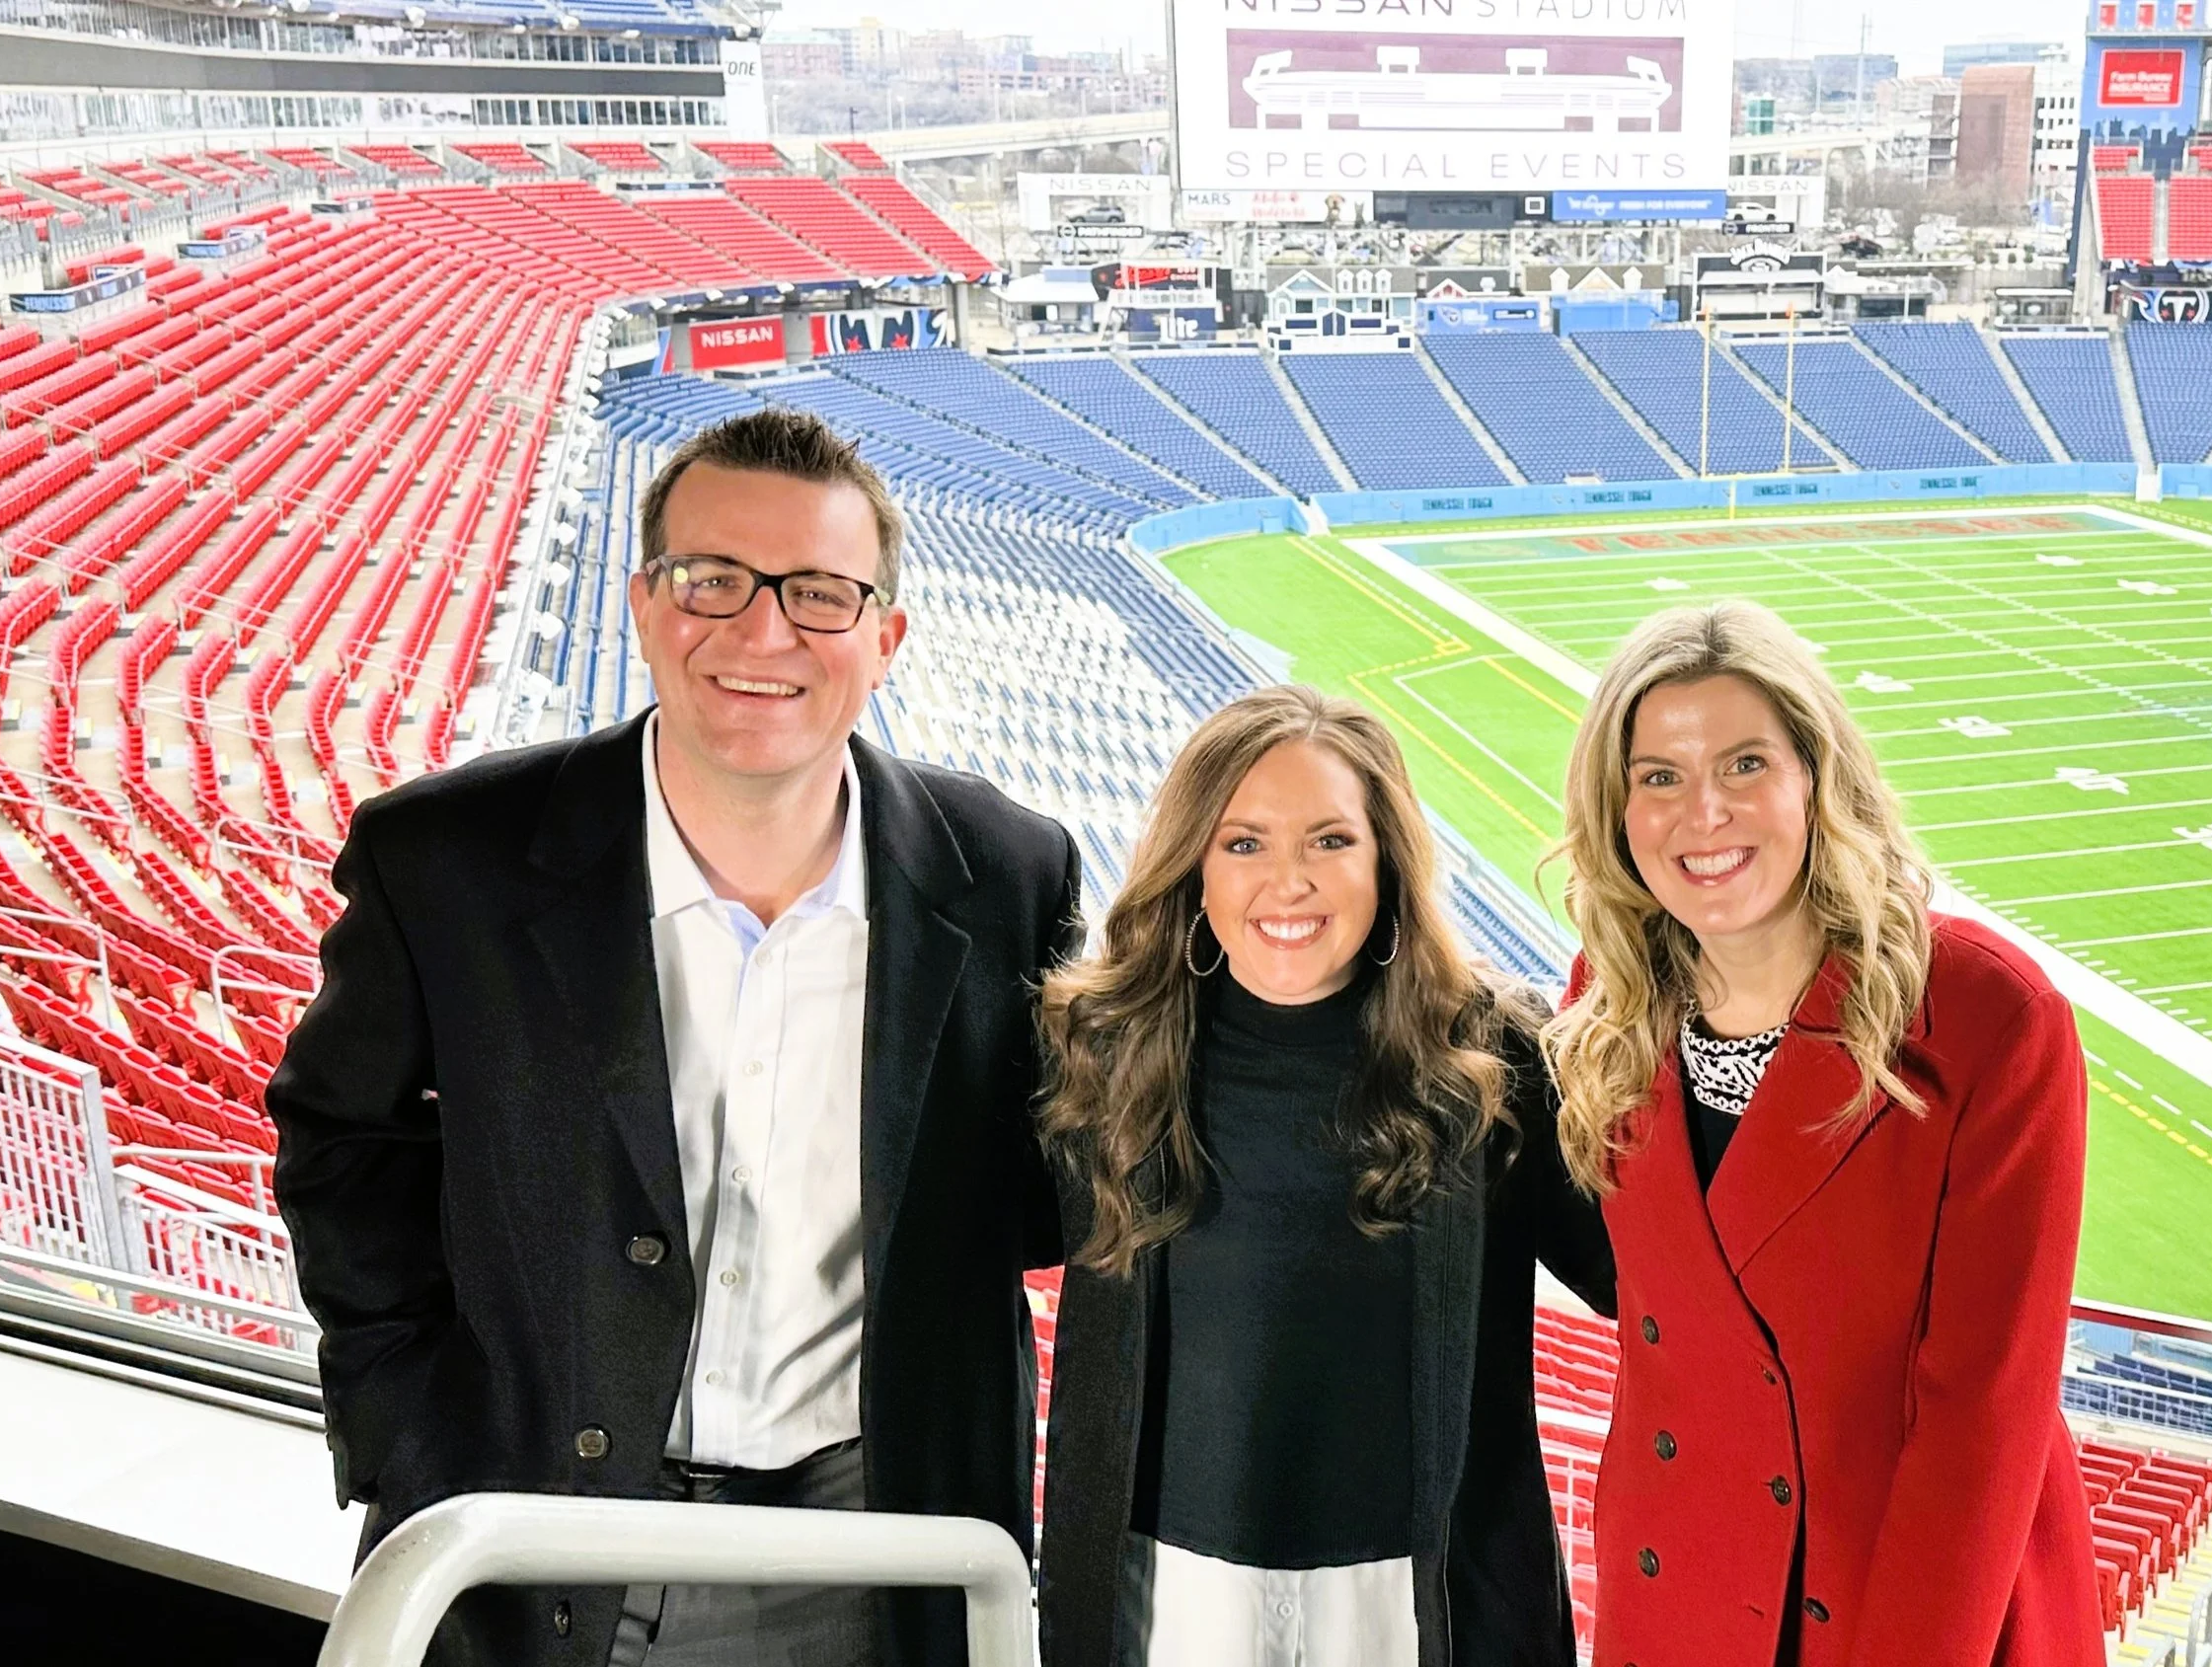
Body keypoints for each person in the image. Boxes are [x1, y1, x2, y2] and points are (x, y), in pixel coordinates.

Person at [267, 408, 1079, 1667]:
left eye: (818, 594)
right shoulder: (447, 861)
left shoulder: (1010, 873)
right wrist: (408, 1435)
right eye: (712, 581)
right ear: (645, 603)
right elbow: (340, 1142)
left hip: (879, 1543)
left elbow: (1037, 1195)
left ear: (885, 637)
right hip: (538, 1527)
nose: (762, 633)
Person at [1541, 601, 2099, 1667]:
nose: (1702, 813)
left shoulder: (1982, 1019)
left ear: (1816, 778)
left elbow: (1981, 1426)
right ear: (1616, 814)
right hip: (1677, 1594)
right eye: (1657, 776)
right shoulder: (1602, 1007)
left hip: (1904, 1606)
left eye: (1745, 764)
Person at [1033, 684, 1616, 1667]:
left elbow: (1636, 1280)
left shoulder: (1494, 1057)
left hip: (1411, 1601)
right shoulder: (1100, 1051)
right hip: (1166, 1595)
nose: (1288, 882)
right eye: (1243, 843)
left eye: (1331, 841)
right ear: (1194, 870)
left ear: (1387, 858)